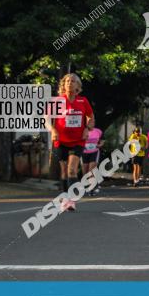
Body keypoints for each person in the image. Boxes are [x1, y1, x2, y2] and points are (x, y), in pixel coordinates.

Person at [46, 73, 95, 212]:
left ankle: (70, 200)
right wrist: (52, 130)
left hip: (78, 141)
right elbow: (47, 118)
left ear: (78, 86)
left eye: (73, 81)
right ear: (63, 84)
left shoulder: (83, 101)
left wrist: (88, 128)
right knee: (63, 171)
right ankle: (65, 197)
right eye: (67, 81)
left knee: (72, 169)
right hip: (60, 140)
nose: (69, 83)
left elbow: (91, 117)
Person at [81, 126, 104, 196]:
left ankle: (91, 188)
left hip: (94, 151)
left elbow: (102, 141)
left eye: (92, 121)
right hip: (84, 152)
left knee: (91, 170)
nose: (91, 123)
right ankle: (86, 186)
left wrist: (99, 145)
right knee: (85, 171)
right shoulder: (82, 131)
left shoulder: (98, 131)